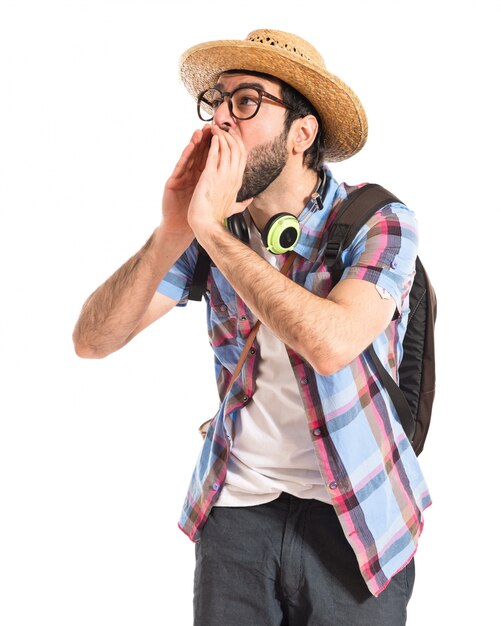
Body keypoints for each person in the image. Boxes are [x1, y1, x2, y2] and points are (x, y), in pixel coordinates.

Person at [73, 28, 431, 626]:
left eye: (245, 102)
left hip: (358, 517)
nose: (220, 119)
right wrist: (172, 230)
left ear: (302, 133)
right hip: (236, 515)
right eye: (215, 101)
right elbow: (92, 340)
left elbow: (331, 343)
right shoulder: (209, 227)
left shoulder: (379, 220)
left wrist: (210, 231)